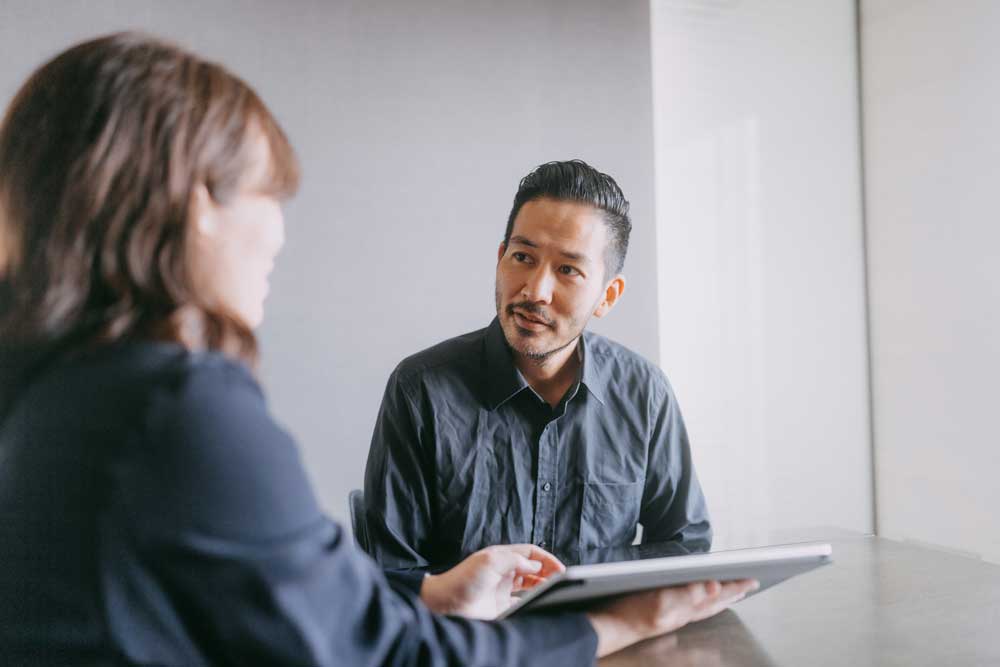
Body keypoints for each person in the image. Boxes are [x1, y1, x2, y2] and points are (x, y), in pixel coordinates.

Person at [0, 32, 754, 666]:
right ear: (198, 206)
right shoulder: (177, 409)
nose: (280, 234)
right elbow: (377, 648)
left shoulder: (49, 388)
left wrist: (435, 595)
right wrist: (613, 626)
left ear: (606, 293)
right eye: (271, 196)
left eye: (568, 270)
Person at [364, 160, 711, 571]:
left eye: (568, 270)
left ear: (608, 295)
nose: (535, 291)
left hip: (603, 631)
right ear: (500, 257)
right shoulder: (420, 388)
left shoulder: (644, 392)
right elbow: (390, 573)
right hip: (469, 633)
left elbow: (683, 546)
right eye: (523, 257)